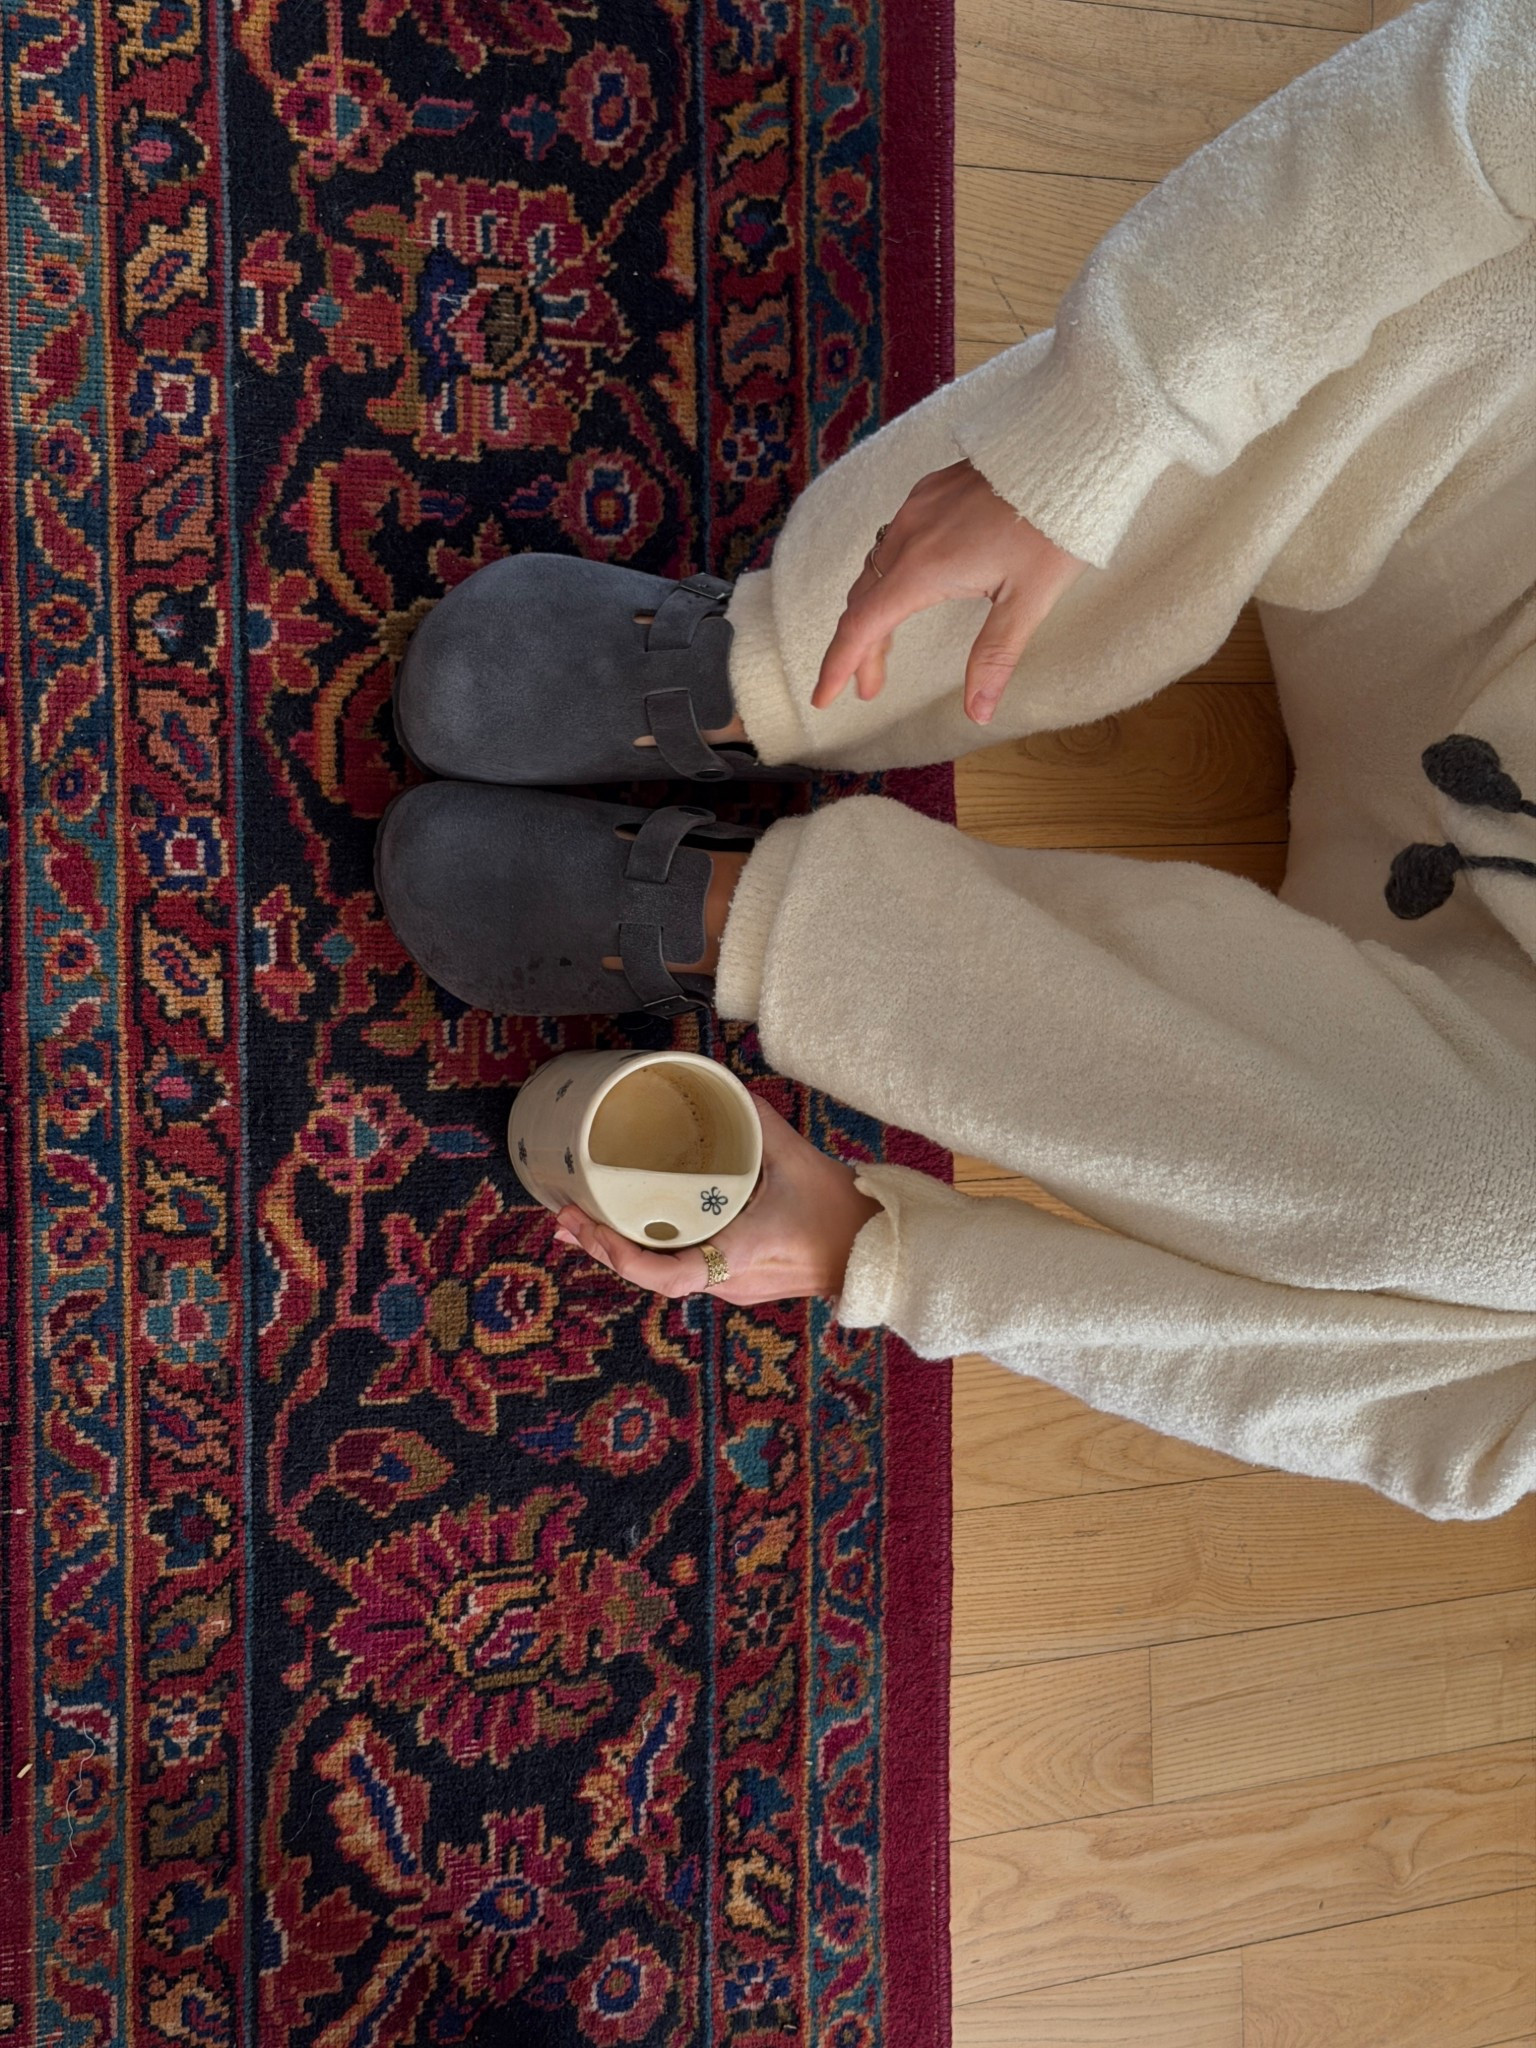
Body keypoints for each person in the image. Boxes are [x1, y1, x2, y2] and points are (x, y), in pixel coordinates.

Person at [377, 0, 1536, 1521]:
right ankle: (773, 673)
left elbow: (1479, 1434)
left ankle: (742, 919)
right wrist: (1099, 437)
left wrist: (881, 1256)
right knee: (1471, 270)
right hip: (1459, 500)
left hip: (1443, 1044)